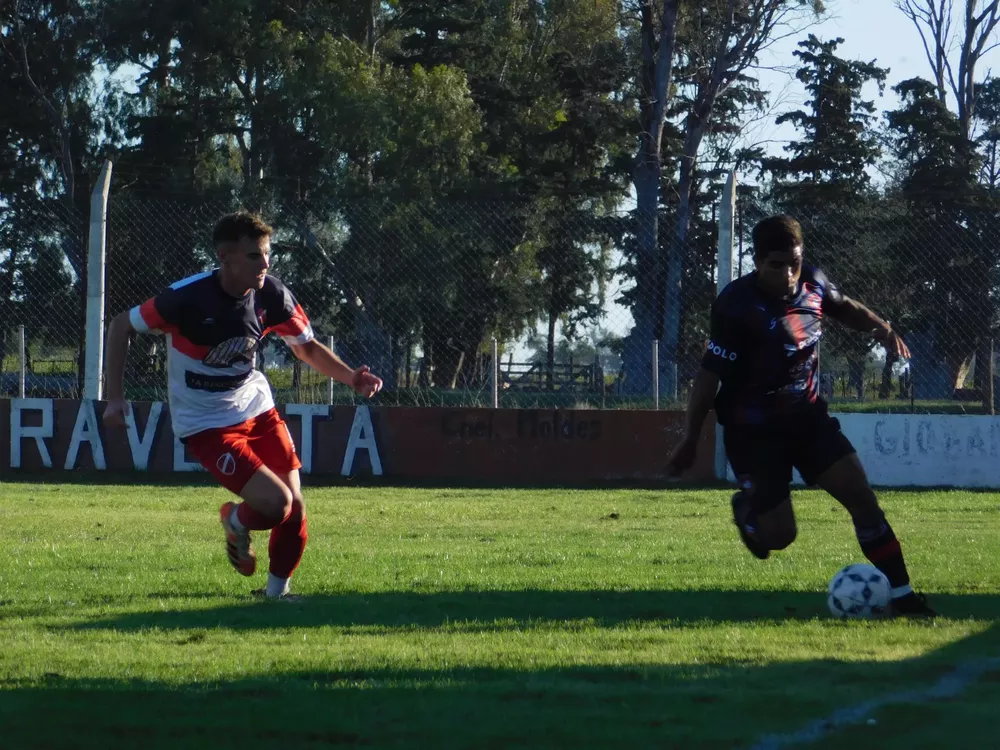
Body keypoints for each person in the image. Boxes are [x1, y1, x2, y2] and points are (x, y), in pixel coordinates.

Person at [102, 211, 383, 600]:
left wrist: (351, 377)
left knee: (295, 507)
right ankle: (236, 519)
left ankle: (276, 596)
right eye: (254, 256)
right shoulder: (185, 298)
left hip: (256, 406)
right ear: (226, 258)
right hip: (206, 423)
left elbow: (305, 348)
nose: (265, 264)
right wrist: (114, 399)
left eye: (267, 254)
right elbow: (120, 325)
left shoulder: (273, 295)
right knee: (275, 505)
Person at [667, 214, 936, 618]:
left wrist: (881, 327)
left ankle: (903, 597)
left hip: (808, 419)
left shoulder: (812, 282)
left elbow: (845, 308)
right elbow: (707, 380)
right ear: (757, 262)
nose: (789, 273)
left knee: (862, 499)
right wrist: (690, 440)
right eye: (778, 265)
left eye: (794, 261)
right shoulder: (737, 306)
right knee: (779, 537)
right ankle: (747, 510)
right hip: (753, 432)